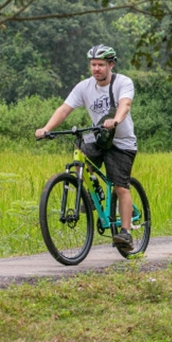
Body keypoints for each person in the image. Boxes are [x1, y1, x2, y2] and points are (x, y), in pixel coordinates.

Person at [35, 45, 138, 250]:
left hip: (121, 142)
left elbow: (125, 105)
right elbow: (65, 109)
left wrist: (115, 121)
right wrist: (46, 128)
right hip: (99, 137)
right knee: (80, 152)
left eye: (101, 64)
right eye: (93, 65)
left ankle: (125, 233)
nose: (96, 69)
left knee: (120, 186)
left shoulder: (123, 82)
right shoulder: (84, 86)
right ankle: (93, 193)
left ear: (111, 65)